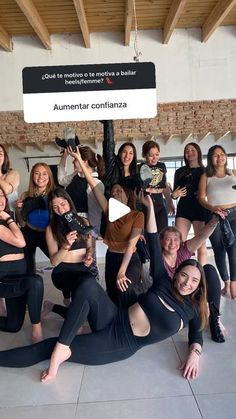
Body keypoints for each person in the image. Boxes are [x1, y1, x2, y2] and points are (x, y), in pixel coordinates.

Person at [0, 192, 209, 383]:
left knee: (48, 347)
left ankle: (58, 346)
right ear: (176, 275)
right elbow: (154, 239)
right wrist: (150, 207)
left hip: (121, 341)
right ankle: (63, 348)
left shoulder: (192, 308)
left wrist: (195, 354)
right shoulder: (164, 279)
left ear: (199, 287)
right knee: (88, 284)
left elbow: (197, 334)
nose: (186, 283)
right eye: (183, 275)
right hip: (114, 316)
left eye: (193, 281)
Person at [70, 147, 144, 307]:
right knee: (111, 296)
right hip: (112, 257)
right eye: (113, 191)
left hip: (129, 259)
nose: (115, 193)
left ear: (126, 195)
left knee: (125, 288)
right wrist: (78, 159)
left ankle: (131, 322)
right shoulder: (109, 210)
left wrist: (122, 271)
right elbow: (91, 182)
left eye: (119, 191)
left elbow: (131, 246)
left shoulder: (137, 215)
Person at [159, 218, 226, 343]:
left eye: (176, 239)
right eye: (168, 239)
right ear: (162, 241)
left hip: (190, 294)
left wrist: (214, 221)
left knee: (209, 269)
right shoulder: (158, 259)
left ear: (181, 241)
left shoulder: (184, 250)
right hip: (173, 300)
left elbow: (201, 236)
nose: (172, 243)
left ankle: (214, 318)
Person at [0, 186, 43, 342]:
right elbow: (20, 241)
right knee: (35, 282)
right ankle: (37, 329)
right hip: (4, 280)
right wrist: (8, 218)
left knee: (13, 326)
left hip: (18, 276)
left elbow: (23, 226)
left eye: (1, 195)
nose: (0, 200)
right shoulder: (4, 219)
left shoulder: (7, 218)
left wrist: (10, 217)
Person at [42, 187, 98, 309]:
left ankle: (52, 306)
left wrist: (89, 256)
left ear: (69, 202)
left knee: (88, 302)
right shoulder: (50, 228)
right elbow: (54, 261)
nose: (61, 210)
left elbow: (90, 247)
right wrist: (66, 245)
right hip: (63, 271)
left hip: (82, 268)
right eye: (55, 207)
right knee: (85, 287)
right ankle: (67, 301)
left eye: (63, 204)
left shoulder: (83, 221)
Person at [198, 145, 236, 298]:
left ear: (226, 157)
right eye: (215, 155)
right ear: (210, 159)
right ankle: (226, 283)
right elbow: (201, 198)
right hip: (215, 215)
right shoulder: (206, 176)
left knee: (234, 249)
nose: (219, 157)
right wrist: (212, 207)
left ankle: (234, 282)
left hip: (235, 213)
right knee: (219, 250)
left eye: (222, 154)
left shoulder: (233, 173)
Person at [172, 143, 210, 265]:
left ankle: (201, 278)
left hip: (200, 209)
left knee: (201, 246)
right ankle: (180, 273)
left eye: (192, 149)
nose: (190, 152)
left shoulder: (206, 171)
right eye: (187, 150)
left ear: (198, 152)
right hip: (184, 210)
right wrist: (175, 194)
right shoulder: (179, 171)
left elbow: (210, 192)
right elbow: (173, 194)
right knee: (179, 245)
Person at [57, 145, 105, 238]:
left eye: (75, 159)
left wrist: (93, 233)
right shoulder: (75, 175)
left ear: (84, 161)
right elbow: (61, 180)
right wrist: (64, 156)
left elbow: (95, 213)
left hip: (84, 227)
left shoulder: (96, 183)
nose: (73, 162)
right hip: (69, 223)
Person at [15, 163, 55, 274]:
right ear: (32, 176)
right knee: (28, 268)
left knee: (59, 262)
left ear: (49, 176)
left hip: (47, 233)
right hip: (28, 233)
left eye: (44, 174)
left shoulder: (54, 194)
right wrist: (18, 210)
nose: (40, 177)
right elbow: (22, 223)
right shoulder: (25, 195)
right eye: (37, 173)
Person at [0, 144, 20, 315]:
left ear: (4, 157)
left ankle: (19, 295)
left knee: (18, 262)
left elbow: (5, 189)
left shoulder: (12, 174)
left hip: (12, 221)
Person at [140, 139, 175, 232]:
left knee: (162, 233)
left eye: (157, 154)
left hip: (160, 205)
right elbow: (144, 189)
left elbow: (164, 186)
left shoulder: (162, 166)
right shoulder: (140, 168)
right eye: (151, 155)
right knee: (148, 235)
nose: (154, 158)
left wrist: (170, 202)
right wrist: (154, 190)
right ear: (144, 155)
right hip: (145, 206)